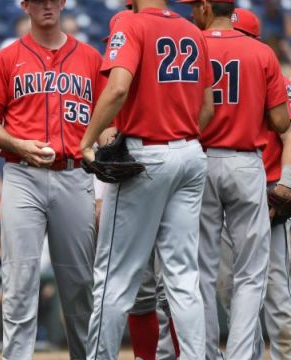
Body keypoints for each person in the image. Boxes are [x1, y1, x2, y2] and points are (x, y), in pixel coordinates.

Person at [79, 0, 215, 357]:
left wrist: (88, 139)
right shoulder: (192, 31)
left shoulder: (129, 21)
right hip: (189, 153)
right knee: (184, 280)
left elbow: (118, 88)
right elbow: (208, 107)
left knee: (113, 279)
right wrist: (180, 135)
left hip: (147, 156)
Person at [0, 0, 105, 358]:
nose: (47, 5)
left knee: (79, 285)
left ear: (63, 2)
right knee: (19, 283)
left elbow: (108, 120)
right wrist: (17, 143)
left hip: (74, 173)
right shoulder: (6, 59)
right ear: (25, 5)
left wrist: (105, 142)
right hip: (22, 174)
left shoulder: (91, 59)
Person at [179, 0, 291, 359]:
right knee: (250, 274)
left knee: (201, 273)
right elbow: (281, 123)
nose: (193, 11)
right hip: (245, 162)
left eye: (196, 5)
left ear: (208, 8)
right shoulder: (261, 53)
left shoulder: (191, 45)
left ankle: (207, 355)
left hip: (200, 160)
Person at [216, 8, 291, 360]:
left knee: (276, 291)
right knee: (227, 291)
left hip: (265, 190)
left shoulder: (277, 78)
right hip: (223, 191)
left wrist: (284, 185)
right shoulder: (206, 72)